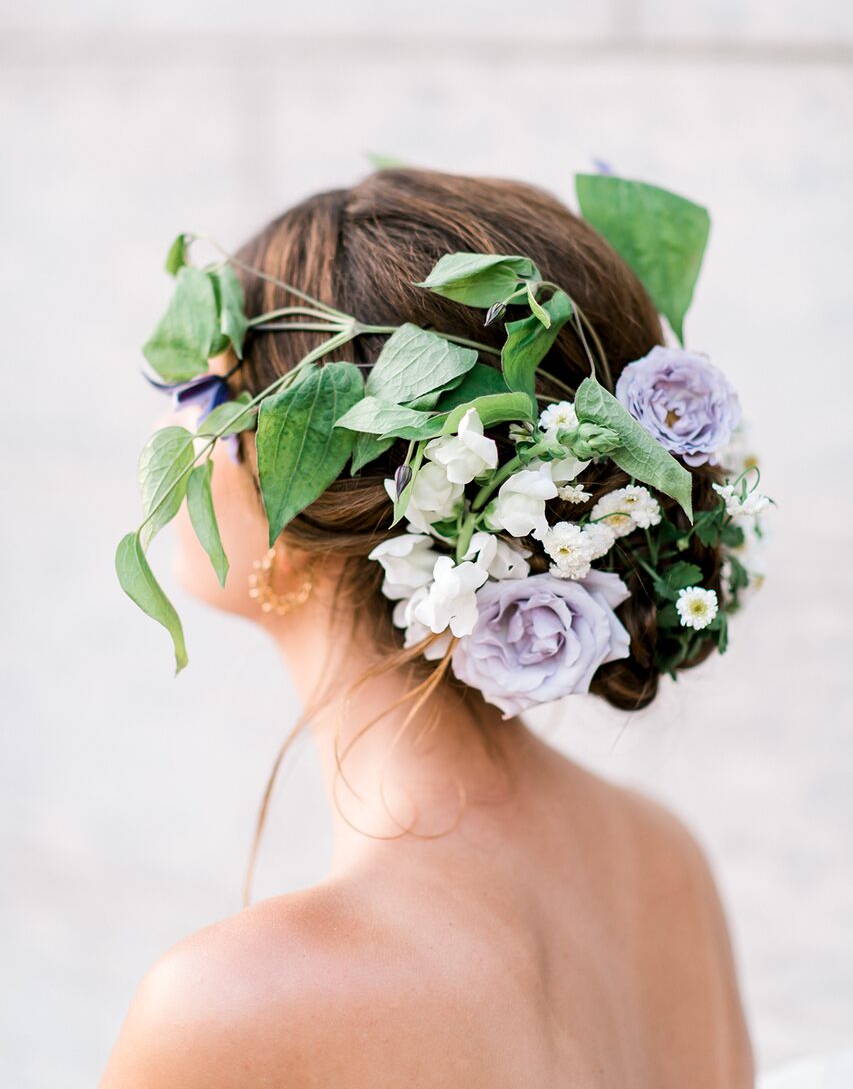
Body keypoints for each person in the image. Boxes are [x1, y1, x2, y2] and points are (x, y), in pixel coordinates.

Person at [102, 168, 756, 1087]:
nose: (186, 454)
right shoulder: (661, 861)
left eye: (212, 406)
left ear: (297, 494)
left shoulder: (232, 1004)